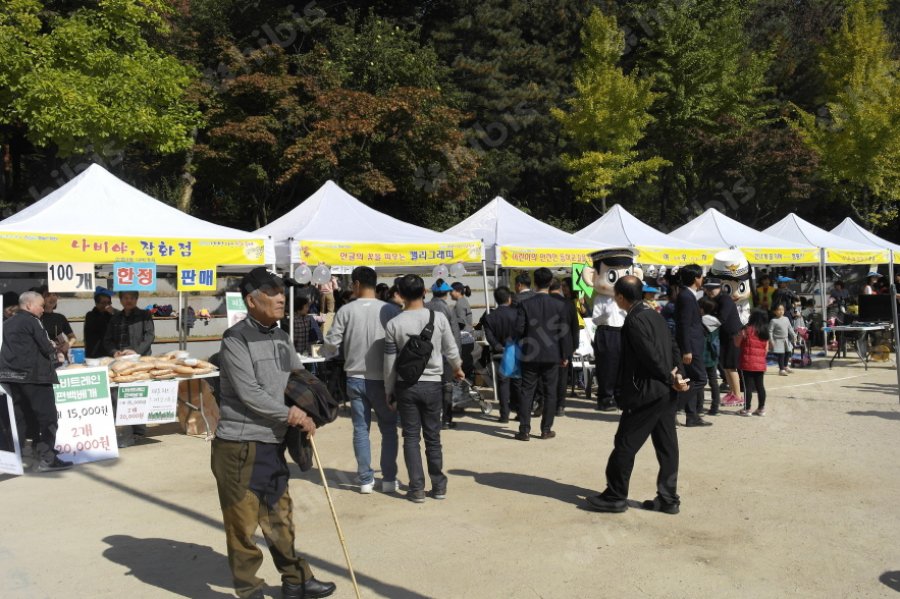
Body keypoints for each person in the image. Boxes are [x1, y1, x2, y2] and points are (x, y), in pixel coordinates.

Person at [211, 267, 335, 599]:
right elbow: (250, 393)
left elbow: (294, 378)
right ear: (251, 300)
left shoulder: (281, 337)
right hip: (240, 445)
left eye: (282, 290)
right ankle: (250, 591)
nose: (281, 297)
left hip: (273, 442)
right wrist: (290, 413)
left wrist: (310, 405)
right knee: (243, 527)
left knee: (280, 517)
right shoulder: (235, 339)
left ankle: (296, 580)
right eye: (272, 292)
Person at [586, 276, 689, 514]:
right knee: (667, 447)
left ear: (620, 297)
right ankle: (668, 498)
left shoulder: (634, 320)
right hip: (664, 391)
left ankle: (615, 495)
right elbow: (673, 347)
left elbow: (649, 355)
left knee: (624, 443)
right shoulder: (655, 314)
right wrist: (677, 376)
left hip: (647, 392)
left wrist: (670, 376)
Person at [384, 274, 463, 503]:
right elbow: (450, 349)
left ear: (399, 294)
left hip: (405, 386)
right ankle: (438, 486)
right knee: (433, 437)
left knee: (410, 437)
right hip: (433, 384)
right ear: (424, 292)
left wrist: (389, 390)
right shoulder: (437, 318)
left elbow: (389, 363)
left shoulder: (393, 324)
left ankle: (416, 488)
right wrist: (457, 368)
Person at [323, 266, 401, 494]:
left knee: (360, 429)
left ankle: (365, 479)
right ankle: (388, 478)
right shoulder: (390, 309)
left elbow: (332, 342)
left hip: (355, 377)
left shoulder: (346, 310)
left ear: (356, 284)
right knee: (388, 428)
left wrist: (328, 351)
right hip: (384, 378)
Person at [0, 291, 73, 472]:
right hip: (35, 377)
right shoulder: (33, 321)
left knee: (20, 418)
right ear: (29, 305)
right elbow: (46, 346)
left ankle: (13, 461)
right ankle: (48, 459)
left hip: (11, 378)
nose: (43, 309)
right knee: (47, 418)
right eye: (40, 305)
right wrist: (56, 352)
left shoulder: (6, 324)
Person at [514, 267, 570, 441]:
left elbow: (519, 330)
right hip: (552, 354)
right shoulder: (560, 305)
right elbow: (564, 332)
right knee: (550, 392)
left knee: (527, 391)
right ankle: (546, 429)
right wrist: (565, 354)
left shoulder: (525, 304)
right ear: (551, 281)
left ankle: (524, 430)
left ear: (535, 282)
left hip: (530, 353)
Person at [103, 291, 155, 446]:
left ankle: (139, 430)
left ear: (137, 299)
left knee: (137, 393)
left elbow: (150, 336)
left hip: (139, 360)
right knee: (116, 394)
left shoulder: (145, 315)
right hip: (120, 362)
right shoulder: (115, 317)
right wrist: (114, 352)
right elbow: (107, 339)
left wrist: (136, 351)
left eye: (132, 298)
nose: (129, 301)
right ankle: (121, 428)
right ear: (120, 300)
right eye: (126, 298)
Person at [674, 264, 712, 427]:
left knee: (691, 379)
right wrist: (687, 350)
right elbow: (684, 325)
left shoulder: (689, 295)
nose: (702, 279)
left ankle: (692, 415)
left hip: (693, 344)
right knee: (700, 379)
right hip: (691, 347)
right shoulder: (686, 297)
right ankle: (672, 408)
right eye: (701, 276)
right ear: (696, 278)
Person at [425, 279, 462, 430]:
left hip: (427, 353)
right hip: (445, 355)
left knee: (430, 386)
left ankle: (430, 418)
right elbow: (455, 335)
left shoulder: (425, 307)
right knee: (447, 387)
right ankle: (446, 420)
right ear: (446, 294)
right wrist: (457, 359)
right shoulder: (448, 310)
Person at [480, 286, 518, 423]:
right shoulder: (517, 314)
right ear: (509, 299)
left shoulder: (490, 317)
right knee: (517, 383)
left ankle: (504, 415)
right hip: (515, 352)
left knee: (503, 384)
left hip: (499, 353)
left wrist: (498, 346)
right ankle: (519, 411)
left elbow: (489, 337)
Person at [549, 278, 579, 417]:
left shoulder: (543, 302)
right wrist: (574, 346)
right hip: (564, 346)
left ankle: (546, 404)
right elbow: (574, 327)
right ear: (560, 287)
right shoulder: (568, 304)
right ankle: (560, 405)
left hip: (543, 346)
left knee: (546, 377)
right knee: (561, 377)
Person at [738, 309, 770, 417]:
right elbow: (766, 350)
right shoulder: (765, 332)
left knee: (748, 387)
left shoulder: (747, 330)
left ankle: (747, 409)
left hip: (747, 362)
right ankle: (761, 408)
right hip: (760, 363)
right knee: (760, 386)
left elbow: (737, 343)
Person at [698, 296, 721, 416]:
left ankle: (699, 407)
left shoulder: (699, 321)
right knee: (713, 382)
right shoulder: (715, 321)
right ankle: (715, 406)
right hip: (712, 355)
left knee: (700, 382)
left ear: (701, 309)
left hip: (701, 354)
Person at [39, 289, 75, 364]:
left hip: (59, 357)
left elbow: (72, 337)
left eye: (54, 295)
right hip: (42, 359)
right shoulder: (36, 318)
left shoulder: (60, 317)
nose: (52, 298)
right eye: (48, 295)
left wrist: (67, 345)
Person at [450, 282, 476, 381]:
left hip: (464, 338)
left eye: (451, 291)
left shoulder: (460, 304)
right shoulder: (463, 301)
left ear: (458, 291)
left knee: (464, 368)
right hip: (467, 338)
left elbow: (461, 322)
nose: (450, 294)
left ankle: (466, 390)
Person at [84, 287, 115, 359]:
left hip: (110, 352)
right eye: (103, 303)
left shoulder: (112, 315)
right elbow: (99, 327)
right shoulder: (90, 315)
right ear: (96, 303)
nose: (106, 305)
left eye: (108, 303)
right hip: (95, 353)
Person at [768, 303, 796, 376]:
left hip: (786, 340)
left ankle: (786, 366)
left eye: (782, 309)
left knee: (788, 353)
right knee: (781, 355)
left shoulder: (786, 319)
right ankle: (781, 369)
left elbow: (790, 328)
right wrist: (771, 340)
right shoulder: (773, 321)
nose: (781, 311)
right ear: (775, 311)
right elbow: (770, 331)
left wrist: (794, 335)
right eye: (779, 310)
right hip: (778, 340)